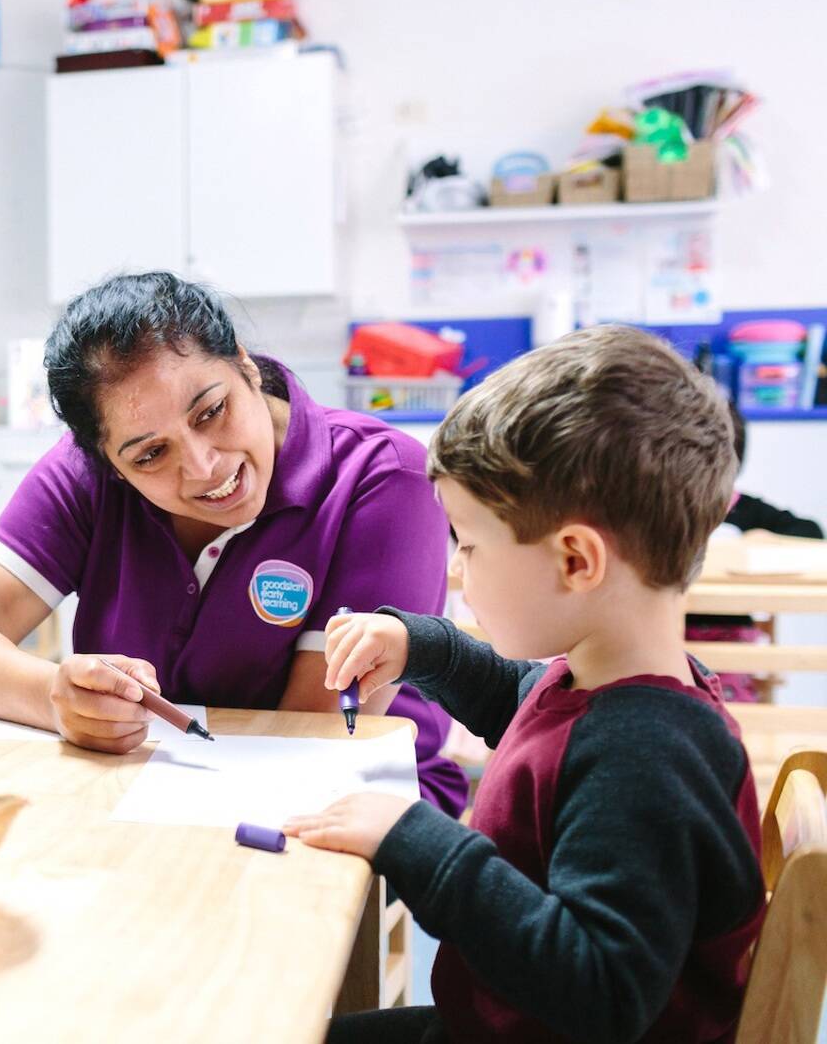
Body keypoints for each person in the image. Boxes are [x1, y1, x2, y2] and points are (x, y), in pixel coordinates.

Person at [285, 326, 764, 1043]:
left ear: (575, 560)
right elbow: (525, 707)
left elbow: (600, 990)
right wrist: (424, 647)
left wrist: (418, 841)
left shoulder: (646, 756)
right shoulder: (611, 685)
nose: (455, 571)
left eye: (470, 545)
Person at [0, 272, 467, 814]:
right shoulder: (87, 477)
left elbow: (312, 735)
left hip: (357, 802)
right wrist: (54, 698)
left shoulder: (383, 478)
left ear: (246, 366)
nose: (204, 467)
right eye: (150, 455)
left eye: (211, 411)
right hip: (148, 786)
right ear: (109, 463)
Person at [686, 398, 824, 701]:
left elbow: (811, 532)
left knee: (727, 700)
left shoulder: (746, 510)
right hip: (675, 633)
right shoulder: (670, 512)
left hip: (732, 636)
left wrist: (762, 538)